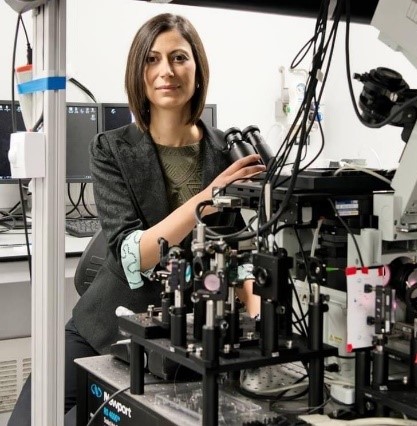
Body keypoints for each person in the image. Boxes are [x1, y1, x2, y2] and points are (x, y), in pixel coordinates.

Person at [8, 12, 264, 425]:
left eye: (179, 57)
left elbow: (239, 251)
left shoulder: (223, 152)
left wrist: (257, 326)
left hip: (184, 342)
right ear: (138, 71)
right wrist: (209, 196)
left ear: (197, 69)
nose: (166, 71)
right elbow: (134, 254)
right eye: (152, 59)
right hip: (104, 326)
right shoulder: (110, 149)